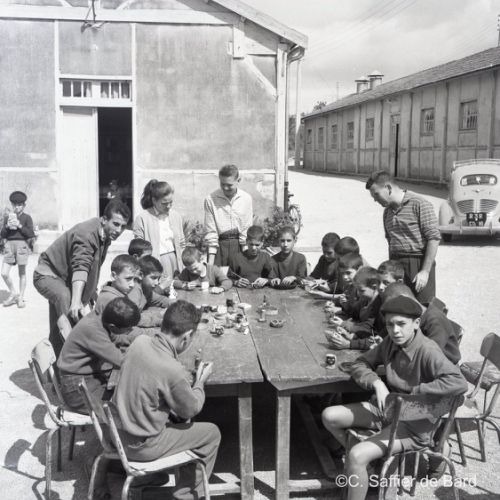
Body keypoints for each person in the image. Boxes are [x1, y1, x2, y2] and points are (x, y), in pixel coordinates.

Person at [321, 295, 468, 500]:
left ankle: (363, 463)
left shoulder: (428, 350)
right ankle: (369, 467)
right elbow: (360, 363)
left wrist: (417, 390)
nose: (395, 330)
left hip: (414, 423)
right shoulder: (390, 342)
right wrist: (377, 383)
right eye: (390, 324)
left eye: (401, 324)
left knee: (356, 455)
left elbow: (459, 383)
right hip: (387, 410)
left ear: (416, 323)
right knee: (329, 416)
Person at [113, 300, 221, 500]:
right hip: (143, 446)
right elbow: (190, 409)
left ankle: (142, 481)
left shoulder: (140, 342)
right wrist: (199, 382)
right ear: (187, 336)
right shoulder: (172, 369)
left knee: (177, 419)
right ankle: (186, 496)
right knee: (211, 433)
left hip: (118, 436)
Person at [33, 200, 130, 356]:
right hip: (47, 274)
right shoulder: (86, 233)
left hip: (64, 278)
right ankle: (73, 359)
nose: (119, 230)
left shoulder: (105, 234)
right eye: (116, 224)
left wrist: (91, 292)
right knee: (68, 306)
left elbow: (93, 266)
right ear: (104, 219)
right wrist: (76, 300)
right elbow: (81, 266)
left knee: (60, 324)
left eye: (123, 226)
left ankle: (55, 363)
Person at [366, 170, 441, 304]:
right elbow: (390, 241)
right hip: (396, 266)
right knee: (397, 305)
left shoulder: (419, 204)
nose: (375, 200)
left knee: (422, 307)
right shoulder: (387, 212)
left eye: (376, 194)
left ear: (388, 188)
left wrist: (425, 271)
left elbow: (434, 238)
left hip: (418, 263)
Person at [57, 297, 140, 413]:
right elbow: (121, 361)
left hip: (87, 378)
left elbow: (116, 338)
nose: (130, 330)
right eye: (128, 329)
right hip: (76, 388)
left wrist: (141, 340)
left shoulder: (101, 319)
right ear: (113, 326)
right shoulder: (93, 330)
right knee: (122, 410)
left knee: (127, 395)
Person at [379, 283, 461, 364]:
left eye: (395, 307)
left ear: (406, 299)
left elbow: (429, 355)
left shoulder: (435, 321)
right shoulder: (411, 317)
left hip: (440, 365)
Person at [133, 180, 185, 281]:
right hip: (155, 262)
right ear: (154, 201)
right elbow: (139, 248)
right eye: (164, 203)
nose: (168, 206)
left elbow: (182, 242)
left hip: (176, 261)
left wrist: (182, 263)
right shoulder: (142, 218)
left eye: (171, 202)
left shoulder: (175, 216)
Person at [204, 164, 253, 266]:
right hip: (219, 247)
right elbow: (211, 231)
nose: (225, 188)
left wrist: (247, 257)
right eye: (222, 184)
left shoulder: (246, 198)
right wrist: (211, 263)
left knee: (240, 275)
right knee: (217, 275)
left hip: (239, 247)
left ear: (238, 180)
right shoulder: (210, 199)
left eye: (229, 185)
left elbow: (246, 228)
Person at [1, 191, 35, 308]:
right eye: (15, 205)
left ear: (24, 205)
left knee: (22, 273)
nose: (17, 207)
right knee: (4, 273)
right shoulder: (7, 217)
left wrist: (19, 225)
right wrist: (7, 226)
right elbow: (3, 234)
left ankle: (20, 298)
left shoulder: (27, 218)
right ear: (12, 205)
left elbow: (30, 234)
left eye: (19, 205)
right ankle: (13, 293)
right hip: (9, 245)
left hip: (22, 245)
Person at [128, 255, 175, 328]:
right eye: (153, 278)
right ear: (140, 275)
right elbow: (133, 318)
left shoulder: (146, 289)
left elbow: (160, 299)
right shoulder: (134, 291)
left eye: (158, 278)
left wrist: (177, 305)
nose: (156, 283)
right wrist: (159, 318)